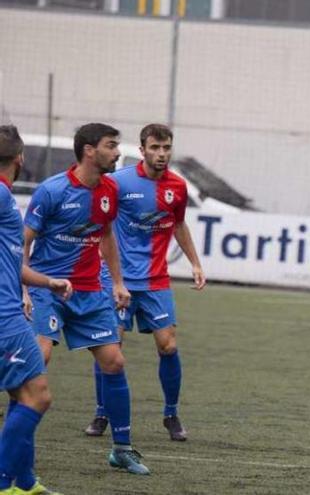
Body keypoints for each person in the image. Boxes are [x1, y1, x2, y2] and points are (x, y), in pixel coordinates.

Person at [22, 123, 150, 475]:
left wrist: (118, 283)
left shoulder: (109, 189)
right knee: (39, 358)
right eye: (111, 145)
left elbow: (106, 234)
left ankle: (122, 449)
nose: (117, 151)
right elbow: (23, 243)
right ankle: (17, 446)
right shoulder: (52, 191)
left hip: (90, 291)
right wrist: (25, 289)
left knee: (114, 362)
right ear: (89, 150)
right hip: (48, 289)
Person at [84, 123, 205, 442]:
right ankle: (101, 413)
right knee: (111, 347)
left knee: (169, 345)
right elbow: (101, 223)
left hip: (155, 280)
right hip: (118, 280)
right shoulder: (118, 182)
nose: (161, 154)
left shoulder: (177, 187)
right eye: (155, 148)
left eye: (166, 148)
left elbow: (178, 224)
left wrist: (194, 262)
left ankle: (171, 414)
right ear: (143, 150)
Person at [0, 125, 73, 494]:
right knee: (38, 395)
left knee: (21, 394)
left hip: (11, 310)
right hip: (5, 319)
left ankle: (25, 483)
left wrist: (46, 282)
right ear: (20, 159)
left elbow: (12, 263)